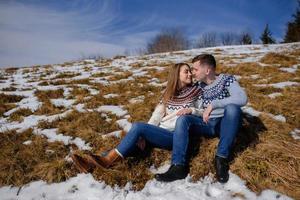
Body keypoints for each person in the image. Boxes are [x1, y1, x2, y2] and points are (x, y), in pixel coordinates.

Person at [71, 62, 203, 177]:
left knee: (138, 127)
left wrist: (192, 110)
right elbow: (156, 117)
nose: (190, 74)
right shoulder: (168, 94)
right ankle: (90, 164)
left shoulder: (197, 91)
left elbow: (204, 112)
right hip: (160, 133)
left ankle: (107, 161)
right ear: (176, 75)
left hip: (176, 136)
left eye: (190, 71)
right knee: (132, 141)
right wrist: (145, 136)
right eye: (186, 71)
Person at [155, 54, 247, 183]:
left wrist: (214, 104)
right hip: (207, 123)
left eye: (195, 69)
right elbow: (179, 91)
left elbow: (242, 98)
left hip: (226, 123)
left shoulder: (227, 79)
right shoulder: (198, 86)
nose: (192, 73)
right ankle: (178, 166)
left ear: (208, 70)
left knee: (233, 108)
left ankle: (221, 158)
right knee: (183, 119)